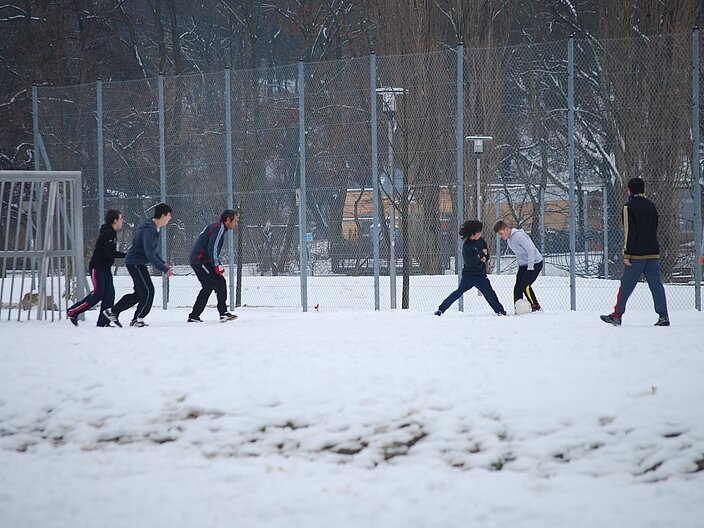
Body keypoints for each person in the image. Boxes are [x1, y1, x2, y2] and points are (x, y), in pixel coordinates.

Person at [600, 178, 669, 326]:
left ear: (630, 190)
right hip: (653, 252)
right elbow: (655, 227)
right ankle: (663, 316)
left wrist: (627, 253)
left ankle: (617, 315)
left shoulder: (628, 207)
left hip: (637, 254)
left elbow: (629, 231)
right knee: (656, 285)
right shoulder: (651, 205)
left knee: (626, 284)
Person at [104, 203, 174, 328]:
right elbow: (149, 253)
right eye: (169, 216)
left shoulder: (152, 227)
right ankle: (137, 319)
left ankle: (113, 312)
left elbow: (152, 251)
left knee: (139, 293)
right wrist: (164, 269)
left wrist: (162, 262)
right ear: (163, 215)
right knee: (148, 291)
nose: (170, 218)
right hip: (135, 263)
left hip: (137, 262)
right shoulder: (149, 229)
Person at [66, 209, 126, 327]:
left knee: (109, 294)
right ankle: (73, 311)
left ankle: (103, 322)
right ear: (115, 221)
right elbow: (109, 252)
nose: (122, 221)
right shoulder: (109, 233)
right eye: (120, 219)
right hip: (97, 268)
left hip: (105, 268)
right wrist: (126, 255)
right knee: (98, 293)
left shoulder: (111, 232)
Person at [435, 220, 506, 316]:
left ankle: (500, 312)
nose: (480, 233)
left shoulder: (481, 241)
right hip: (468, 276)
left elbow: (486, 255)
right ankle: (441, 309)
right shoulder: (467, 246)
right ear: (473, 233)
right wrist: (480, 255)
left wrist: (483, 257)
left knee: (490, 294)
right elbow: (470, 262)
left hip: (481, 276)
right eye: (478, 232)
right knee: (458, 292)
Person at [188, 209, 239, 323]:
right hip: (200, 261)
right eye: (235, 221)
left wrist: (216, 263)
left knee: (215, 283)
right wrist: (216, 264)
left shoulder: (218, 227)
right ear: (228, 220)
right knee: (212, 284)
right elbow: (213, 248)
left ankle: (220, 313)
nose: (236, 223)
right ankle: (197, 315)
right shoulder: (219, 228)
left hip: (204, 260)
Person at [494, 220, 543, 312]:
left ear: (507, 229)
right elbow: (519, 254)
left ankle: (536, 307)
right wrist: (521, 267)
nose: (501, 236)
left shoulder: (518, 236)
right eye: (499, 235)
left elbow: (530, 250)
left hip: (535, 263)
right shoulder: (509, 240)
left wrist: (530, 267)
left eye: (501, 233)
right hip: (523, 265)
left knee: (525, 285)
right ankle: (518, 308)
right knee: (517, 287)